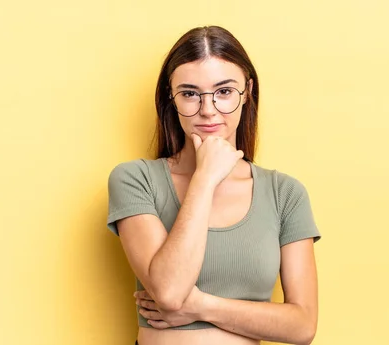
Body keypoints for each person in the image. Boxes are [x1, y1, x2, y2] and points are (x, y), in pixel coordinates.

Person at [107, 26, 322, 345]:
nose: (207, 110)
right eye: (190, 93)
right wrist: (205, 179)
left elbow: (303, 325)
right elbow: (168, 292)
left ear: (247, 92)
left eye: (224, 91)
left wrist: (200, 306)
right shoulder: (135, 179)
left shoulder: (284, 193)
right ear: (171, 96)